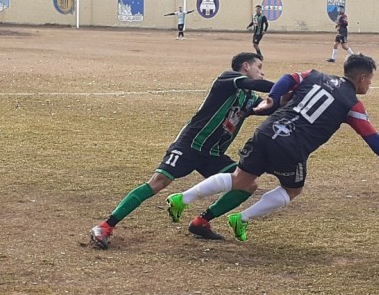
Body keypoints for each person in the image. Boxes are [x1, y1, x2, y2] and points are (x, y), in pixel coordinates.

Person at [166, 53, 379, 242]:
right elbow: (374, 141)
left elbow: (288, 77)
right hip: (291, 146)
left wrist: (272, 100)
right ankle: (241, 219)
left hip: (267, 130)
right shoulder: (352, 104)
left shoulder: (314, 75)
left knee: (240, 179)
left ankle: (182, 198)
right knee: (293, 189)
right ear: (361, 78)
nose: (369, 85)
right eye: (370, 80)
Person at [90, 52, 274, 249]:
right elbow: (258, 85)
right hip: (190, 145)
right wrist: (287, 85)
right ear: (246, 66)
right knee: (159, 182)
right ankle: (105, 226)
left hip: (213, 154)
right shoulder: (227, 79)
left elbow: (268, 107)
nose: (262, 73)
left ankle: (201, 222)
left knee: (247, 185)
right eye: (259, 67)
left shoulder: (249, 98)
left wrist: (291, 98)